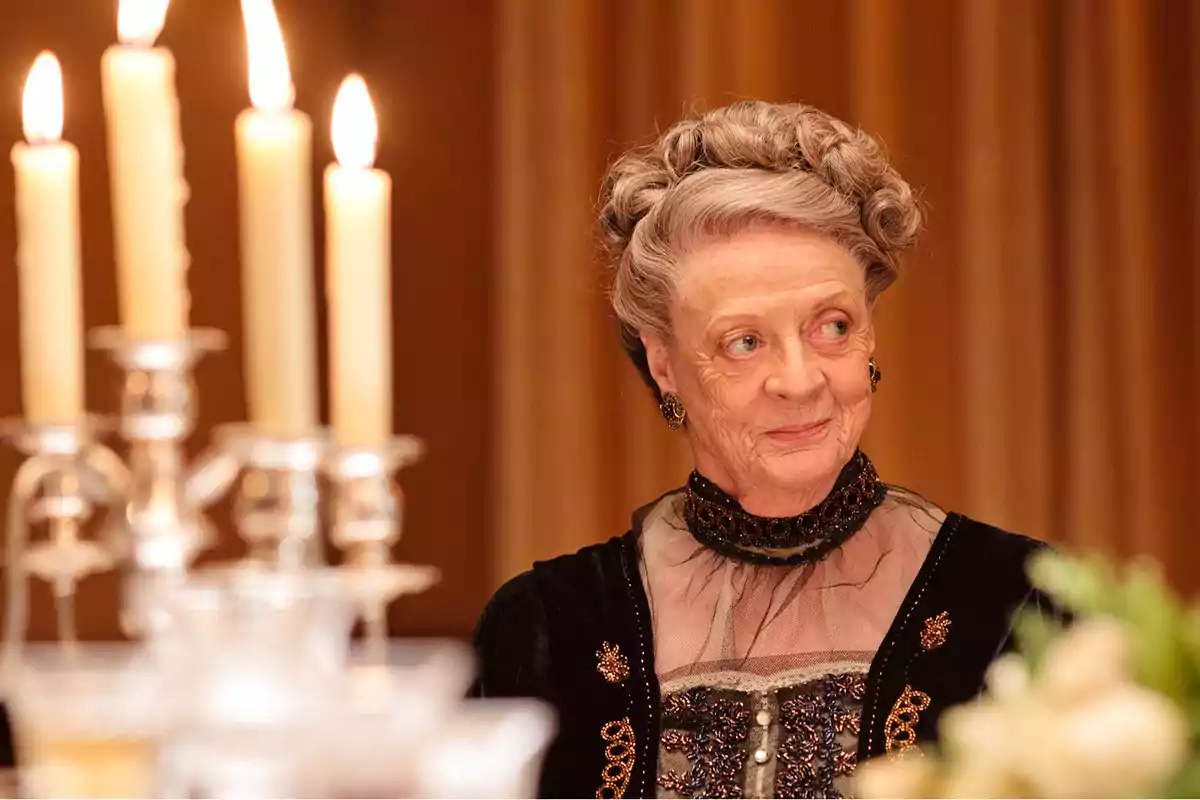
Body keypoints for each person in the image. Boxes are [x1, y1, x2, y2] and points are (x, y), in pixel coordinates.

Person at [472, 100, 1056, 799]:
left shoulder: (1021, 603)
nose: (801, 380)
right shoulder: (545, 629)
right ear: (664, 365)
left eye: (832, 327)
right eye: (743, 342)